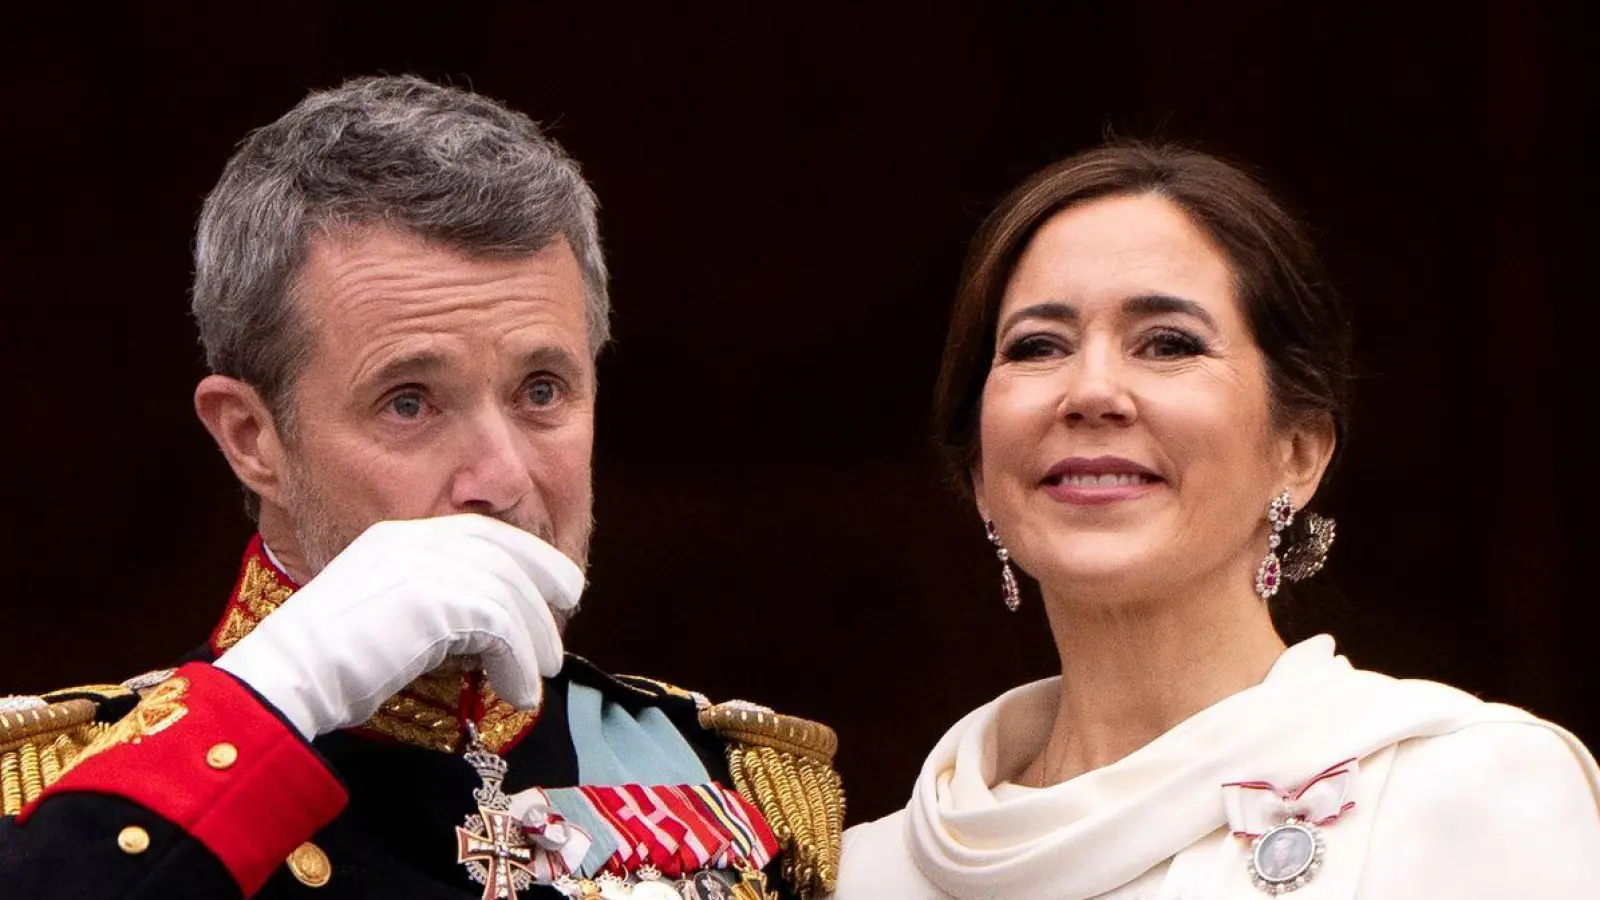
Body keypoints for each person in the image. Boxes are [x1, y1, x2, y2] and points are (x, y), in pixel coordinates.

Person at [0, 75, 842, 900]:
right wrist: (276, 692)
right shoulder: (51, 797)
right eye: (410, 402)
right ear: (252, 439)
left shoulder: (738, 783)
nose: (502, 480)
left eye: (541, 390)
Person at [831, 141, 1600, 898]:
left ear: (1298, 451)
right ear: (980, 476)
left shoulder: (1467, 796)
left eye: (1168, 343)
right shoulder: (859, 874)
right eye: (1038, 346)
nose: (1091, 390)